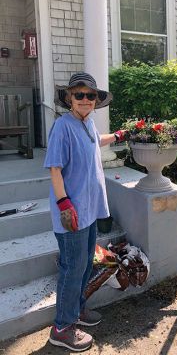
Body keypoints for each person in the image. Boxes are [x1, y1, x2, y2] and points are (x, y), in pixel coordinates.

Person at [44, 72, 126, 351]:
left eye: (91, 95)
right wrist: (64, 203)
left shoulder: (87, 124)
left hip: (90, 212)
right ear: (69, 98)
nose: (85, 100)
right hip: (72, 213)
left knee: (84, 266)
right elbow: (55, 168)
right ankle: (62, 328)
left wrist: (118, 135)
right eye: (79, 95)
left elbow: (95, 141)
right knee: (72, 269)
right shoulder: (62, 126)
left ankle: (77, 310)